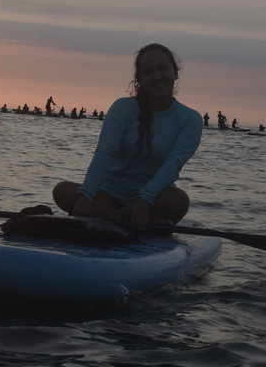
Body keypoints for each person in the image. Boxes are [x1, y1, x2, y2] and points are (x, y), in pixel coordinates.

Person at [52, 43, 202, 231]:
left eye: (163, 69)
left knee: (179, 200)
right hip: (107, 195)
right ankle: (130, 221)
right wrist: (87, 195)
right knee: (62, 190)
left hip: (154, 199)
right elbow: (104, 152)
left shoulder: (190, 119)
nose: (157, 77)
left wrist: (145, 200)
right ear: (140, 79)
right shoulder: (122, 108)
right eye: (148, 72)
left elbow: (173, 164)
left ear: (175, 72)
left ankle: (112, 219)